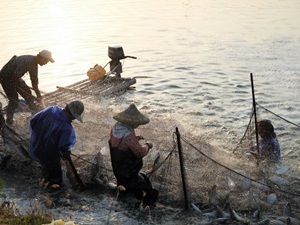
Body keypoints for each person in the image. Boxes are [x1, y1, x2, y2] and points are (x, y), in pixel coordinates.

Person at [109, 103, 158, 208]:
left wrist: (135, 139)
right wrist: (148, 146)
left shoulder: (115, 128)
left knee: (123, 183)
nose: (137, 125)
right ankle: (149, 206)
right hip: (129, 173)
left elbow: (121, 143)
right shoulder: (129, 136)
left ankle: (123, 195)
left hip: (118, 169)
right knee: (145, 182)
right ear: (131, 122)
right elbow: (140, 152)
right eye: (136, 123)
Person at [29, 100, 84, 187]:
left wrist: (38, 137)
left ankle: (43, 179)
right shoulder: (67, 128)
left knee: (43, 169)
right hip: (51, 156)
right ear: (72, 114)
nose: (73, 119)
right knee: (55, 180)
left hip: (37, 148)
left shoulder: (50, 110)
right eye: (74, 117)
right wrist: (66, 153)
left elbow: (33, 121)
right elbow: (63, 147)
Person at [0, 50, 55, 125]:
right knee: (14, 99)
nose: (46, 63)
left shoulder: (34, 64)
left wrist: (39, 97)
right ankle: (9, 120)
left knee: (28, 94)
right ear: (41, 58)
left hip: (15, 77)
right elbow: (14, 76)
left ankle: (35, 115)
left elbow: (34, 83)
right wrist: (21, 89)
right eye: (46, 61)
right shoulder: (27, 60)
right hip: (5, 77)